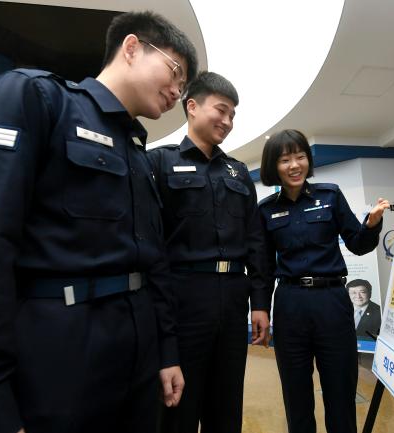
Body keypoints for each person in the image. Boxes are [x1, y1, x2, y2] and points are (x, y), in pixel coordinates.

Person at [0, 11, 196, 433]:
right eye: (175, 71)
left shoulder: (139, 153)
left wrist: (167, 351)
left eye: (183, 85)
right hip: (60, 352)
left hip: (137, 352)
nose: (177, 91)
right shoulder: (36, 98)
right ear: (132, 48)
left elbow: (154, 262)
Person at [148, 71, 271, 433]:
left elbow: (255, 240)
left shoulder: (238, 172)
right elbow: (151, 243)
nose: (228, 121)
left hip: (233, 296)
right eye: (221, 110)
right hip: (183, 295)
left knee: (227, 402)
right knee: (178, 404)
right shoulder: (158, 163)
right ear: (192, 106)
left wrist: (260, 302)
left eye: (233, 114)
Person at [258, 129, 389, 433]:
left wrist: (371, 224)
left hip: (331, 301)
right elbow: (263, 267)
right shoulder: (265, 210)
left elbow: (357, 243)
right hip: (290, 304)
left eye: (300, 156)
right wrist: (260, 308)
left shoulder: (330, 195)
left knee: (340, 392)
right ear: (272, 166)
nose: (294, 165)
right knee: (296, 394)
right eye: (285, 159)